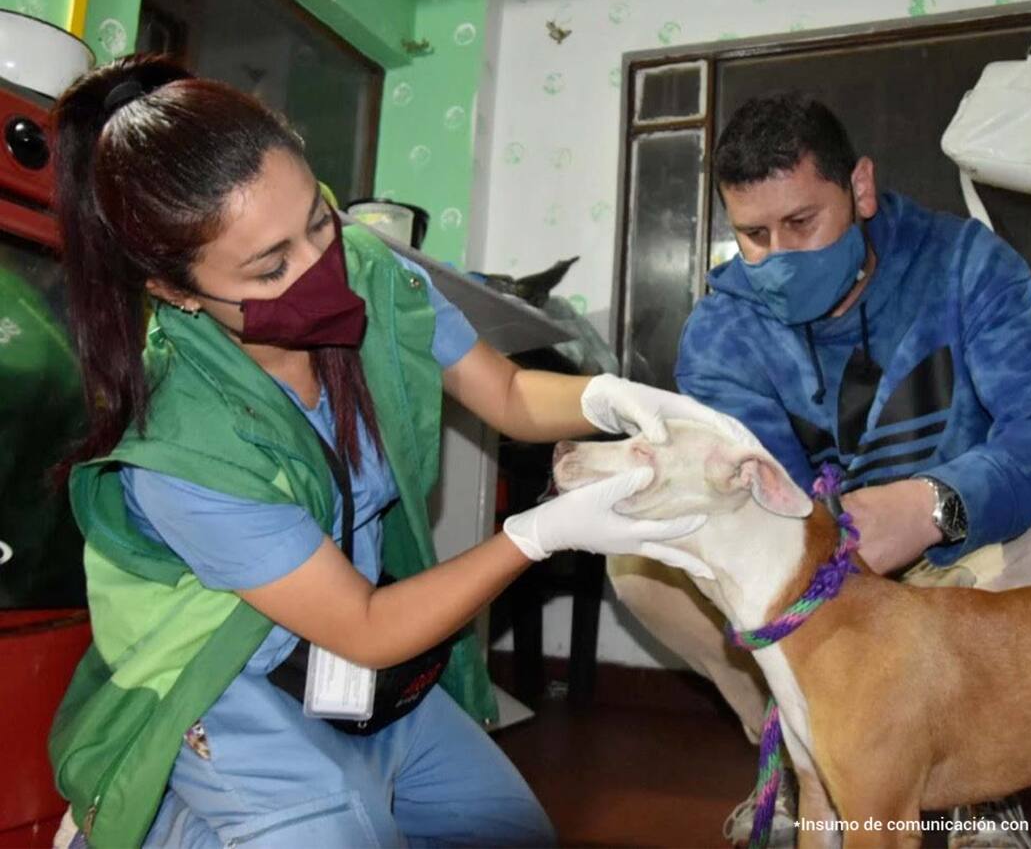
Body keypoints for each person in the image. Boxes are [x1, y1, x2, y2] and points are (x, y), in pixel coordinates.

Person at [47, 54, 749, 849]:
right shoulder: (180, 448)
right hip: (225, 684)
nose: (323, 270)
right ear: (176, 291)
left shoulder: (368, 269)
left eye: (318, 220)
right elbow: (368, 626)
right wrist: (538, 534)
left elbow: (511, 397)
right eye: (271, 266)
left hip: (343, 666)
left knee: (510, 835)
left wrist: (612, 397)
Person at [607, 92, 1031, 846]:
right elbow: (757, 509)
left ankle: (983, 780)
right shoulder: (722, 332)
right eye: (753, 236)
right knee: (639, 567)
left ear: (859, 189)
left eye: (801, 223)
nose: (778, 256)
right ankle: (804, 752)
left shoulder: (964, 264)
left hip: (959, 558)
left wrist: (935, 505)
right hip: (818, 585)